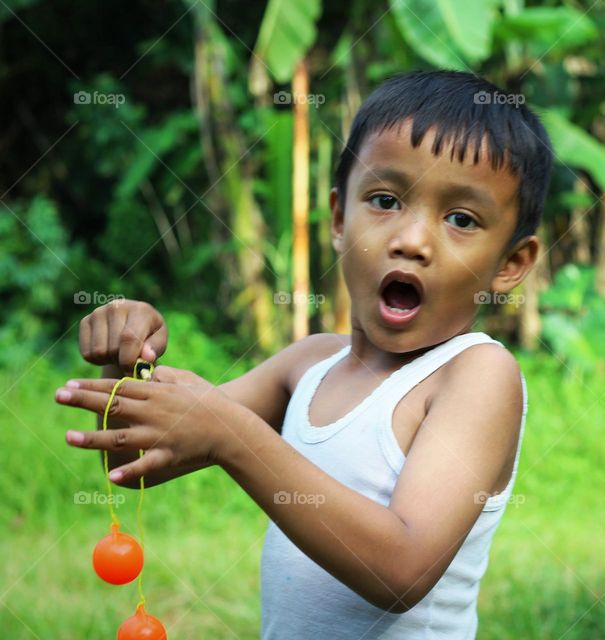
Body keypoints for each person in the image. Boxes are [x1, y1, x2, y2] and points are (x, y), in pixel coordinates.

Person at [55, 69, 553, 638]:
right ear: (340, 219)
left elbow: (401, 569)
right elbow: (139, 461)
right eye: (385, 200)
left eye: (461, 219)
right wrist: (124, 359)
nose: (412, 240)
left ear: (511, 263)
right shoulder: (308, 365)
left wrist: (233, 437)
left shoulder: (475, 375)